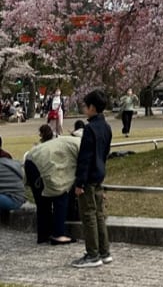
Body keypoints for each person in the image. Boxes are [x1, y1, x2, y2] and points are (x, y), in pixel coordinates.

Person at [70, 89, 113, 268]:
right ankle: (104, 251)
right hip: (99, 175)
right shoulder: (106, 127)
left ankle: (93, 254)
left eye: (86, 106)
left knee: (88, 216)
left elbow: (85, 158)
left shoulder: (89, 129)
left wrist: (79, 182)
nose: (84, 109)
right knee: (99, 215)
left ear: (92, 108)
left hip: (88, 178)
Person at [24, 132, 81, 244]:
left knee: (42, 202)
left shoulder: (70, 141)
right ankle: (58, 234)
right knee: (61, 195)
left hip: (31, 160)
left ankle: (44, 235)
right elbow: (84, 168)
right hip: (43, 164)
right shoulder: (83, 146)